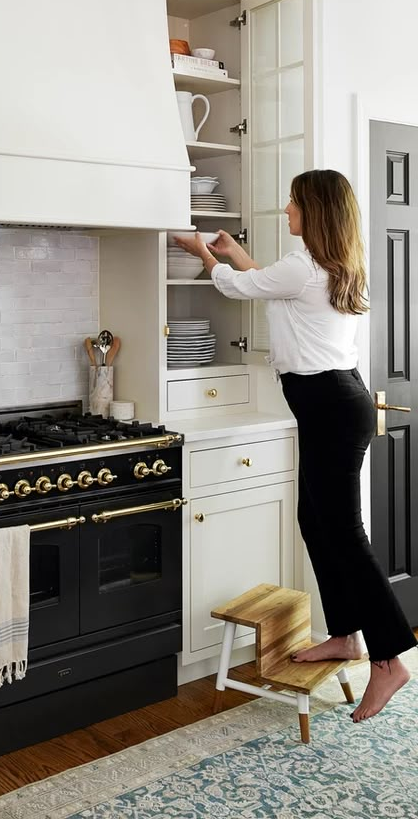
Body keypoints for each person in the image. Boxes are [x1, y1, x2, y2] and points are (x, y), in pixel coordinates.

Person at [176, 169, 416, 721]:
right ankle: (346, 637)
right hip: (333, 403)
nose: (286, 210)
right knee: (316, 521)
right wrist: (236, 252)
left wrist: (205, 255)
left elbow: (240, 288)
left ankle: (388, 661)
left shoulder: (304, 267)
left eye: (293, 202)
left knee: (345, 534)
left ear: (315, 209)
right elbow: (266, 282)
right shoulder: (320, 266)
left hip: (331, 405)